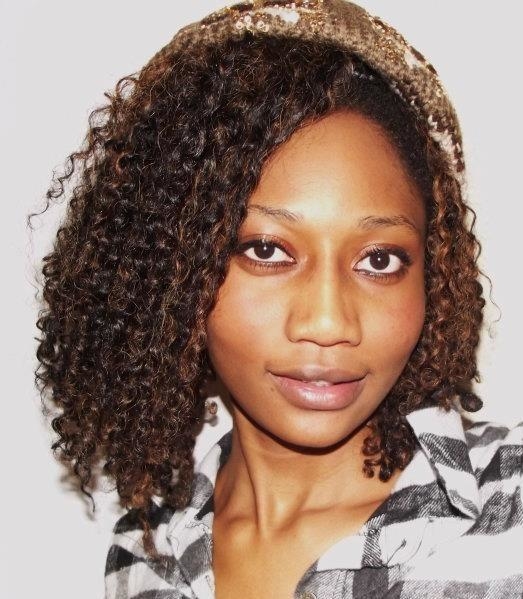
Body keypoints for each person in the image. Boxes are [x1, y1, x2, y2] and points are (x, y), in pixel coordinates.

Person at [34, 1, 523, 597]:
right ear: (173, 271)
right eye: (266, 250)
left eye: (379, 260)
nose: (328, 321)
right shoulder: (144, 559)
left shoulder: (511, 513)